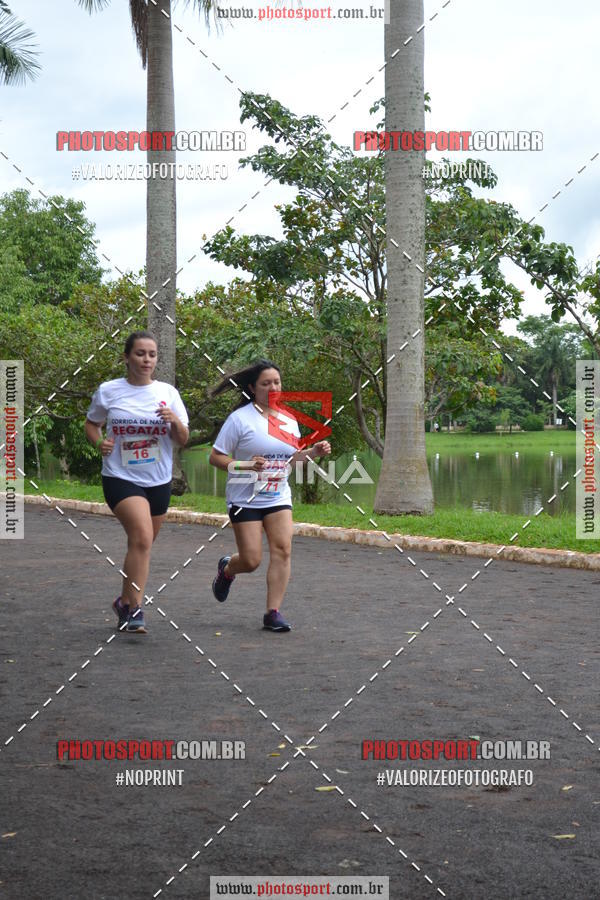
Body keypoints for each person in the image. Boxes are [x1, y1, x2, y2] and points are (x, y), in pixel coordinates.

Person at [208, 360, 331, 632]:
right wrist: (246, 465)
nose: (273, 387)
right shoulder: (239, 420)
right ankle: (228, 569)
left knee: (283, 550)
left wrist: (313, 454)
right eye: (266, 383)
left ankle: (272, 612)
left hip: (277, 497)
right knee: (251, 560)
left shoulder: (288, 420)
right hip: (245, 499)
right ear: (252, 388)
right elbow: (215, 457)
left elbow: (291, 461)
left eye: (277, 382)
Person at [84, 331, 189, 634]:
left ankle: (123, 602)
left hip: (157, 480)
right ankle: (135, 609)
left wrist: (174, 421)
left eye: (152, 354)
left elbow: (182, 439)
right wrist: (99, 442)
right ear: (127, 357)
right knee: (142, 538)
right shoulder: (109, 391)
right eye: (140, 353)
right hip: (120, 476)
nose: (146, 360)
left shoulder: (168, 393)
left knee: (141, 544)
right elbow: (92, 424)